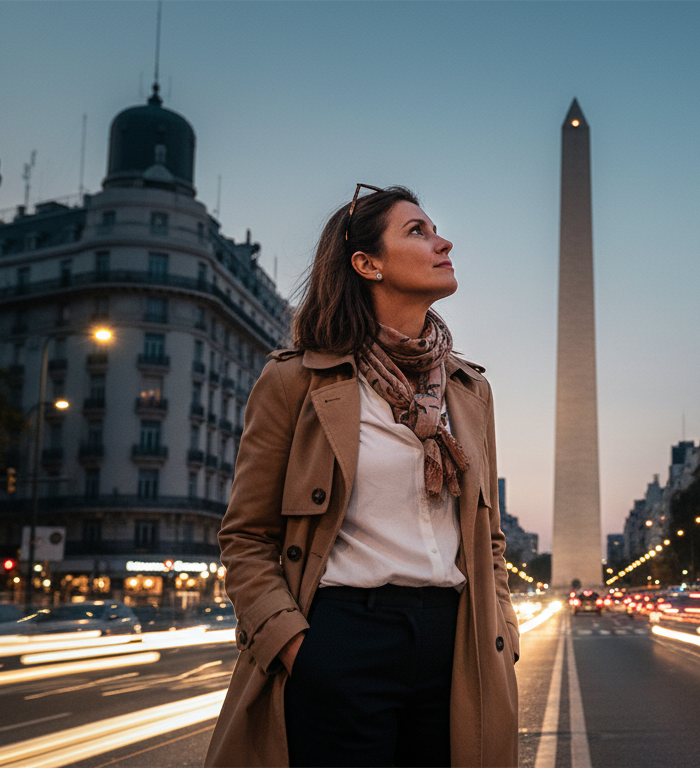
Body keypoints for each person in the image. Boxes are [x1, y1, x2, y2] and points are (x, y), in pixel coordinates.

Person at [205, 185, 519, 768]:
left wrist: (502, 626)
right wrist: (299, 649)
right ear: (366, 264)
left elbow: (488, 536)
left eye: (434, 229)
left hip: (455, 642)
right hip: (343, 636)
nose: (443, 241)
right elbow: (247, 536)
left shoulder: (469, 392)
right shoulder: (296, 382)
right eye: (418, 232)